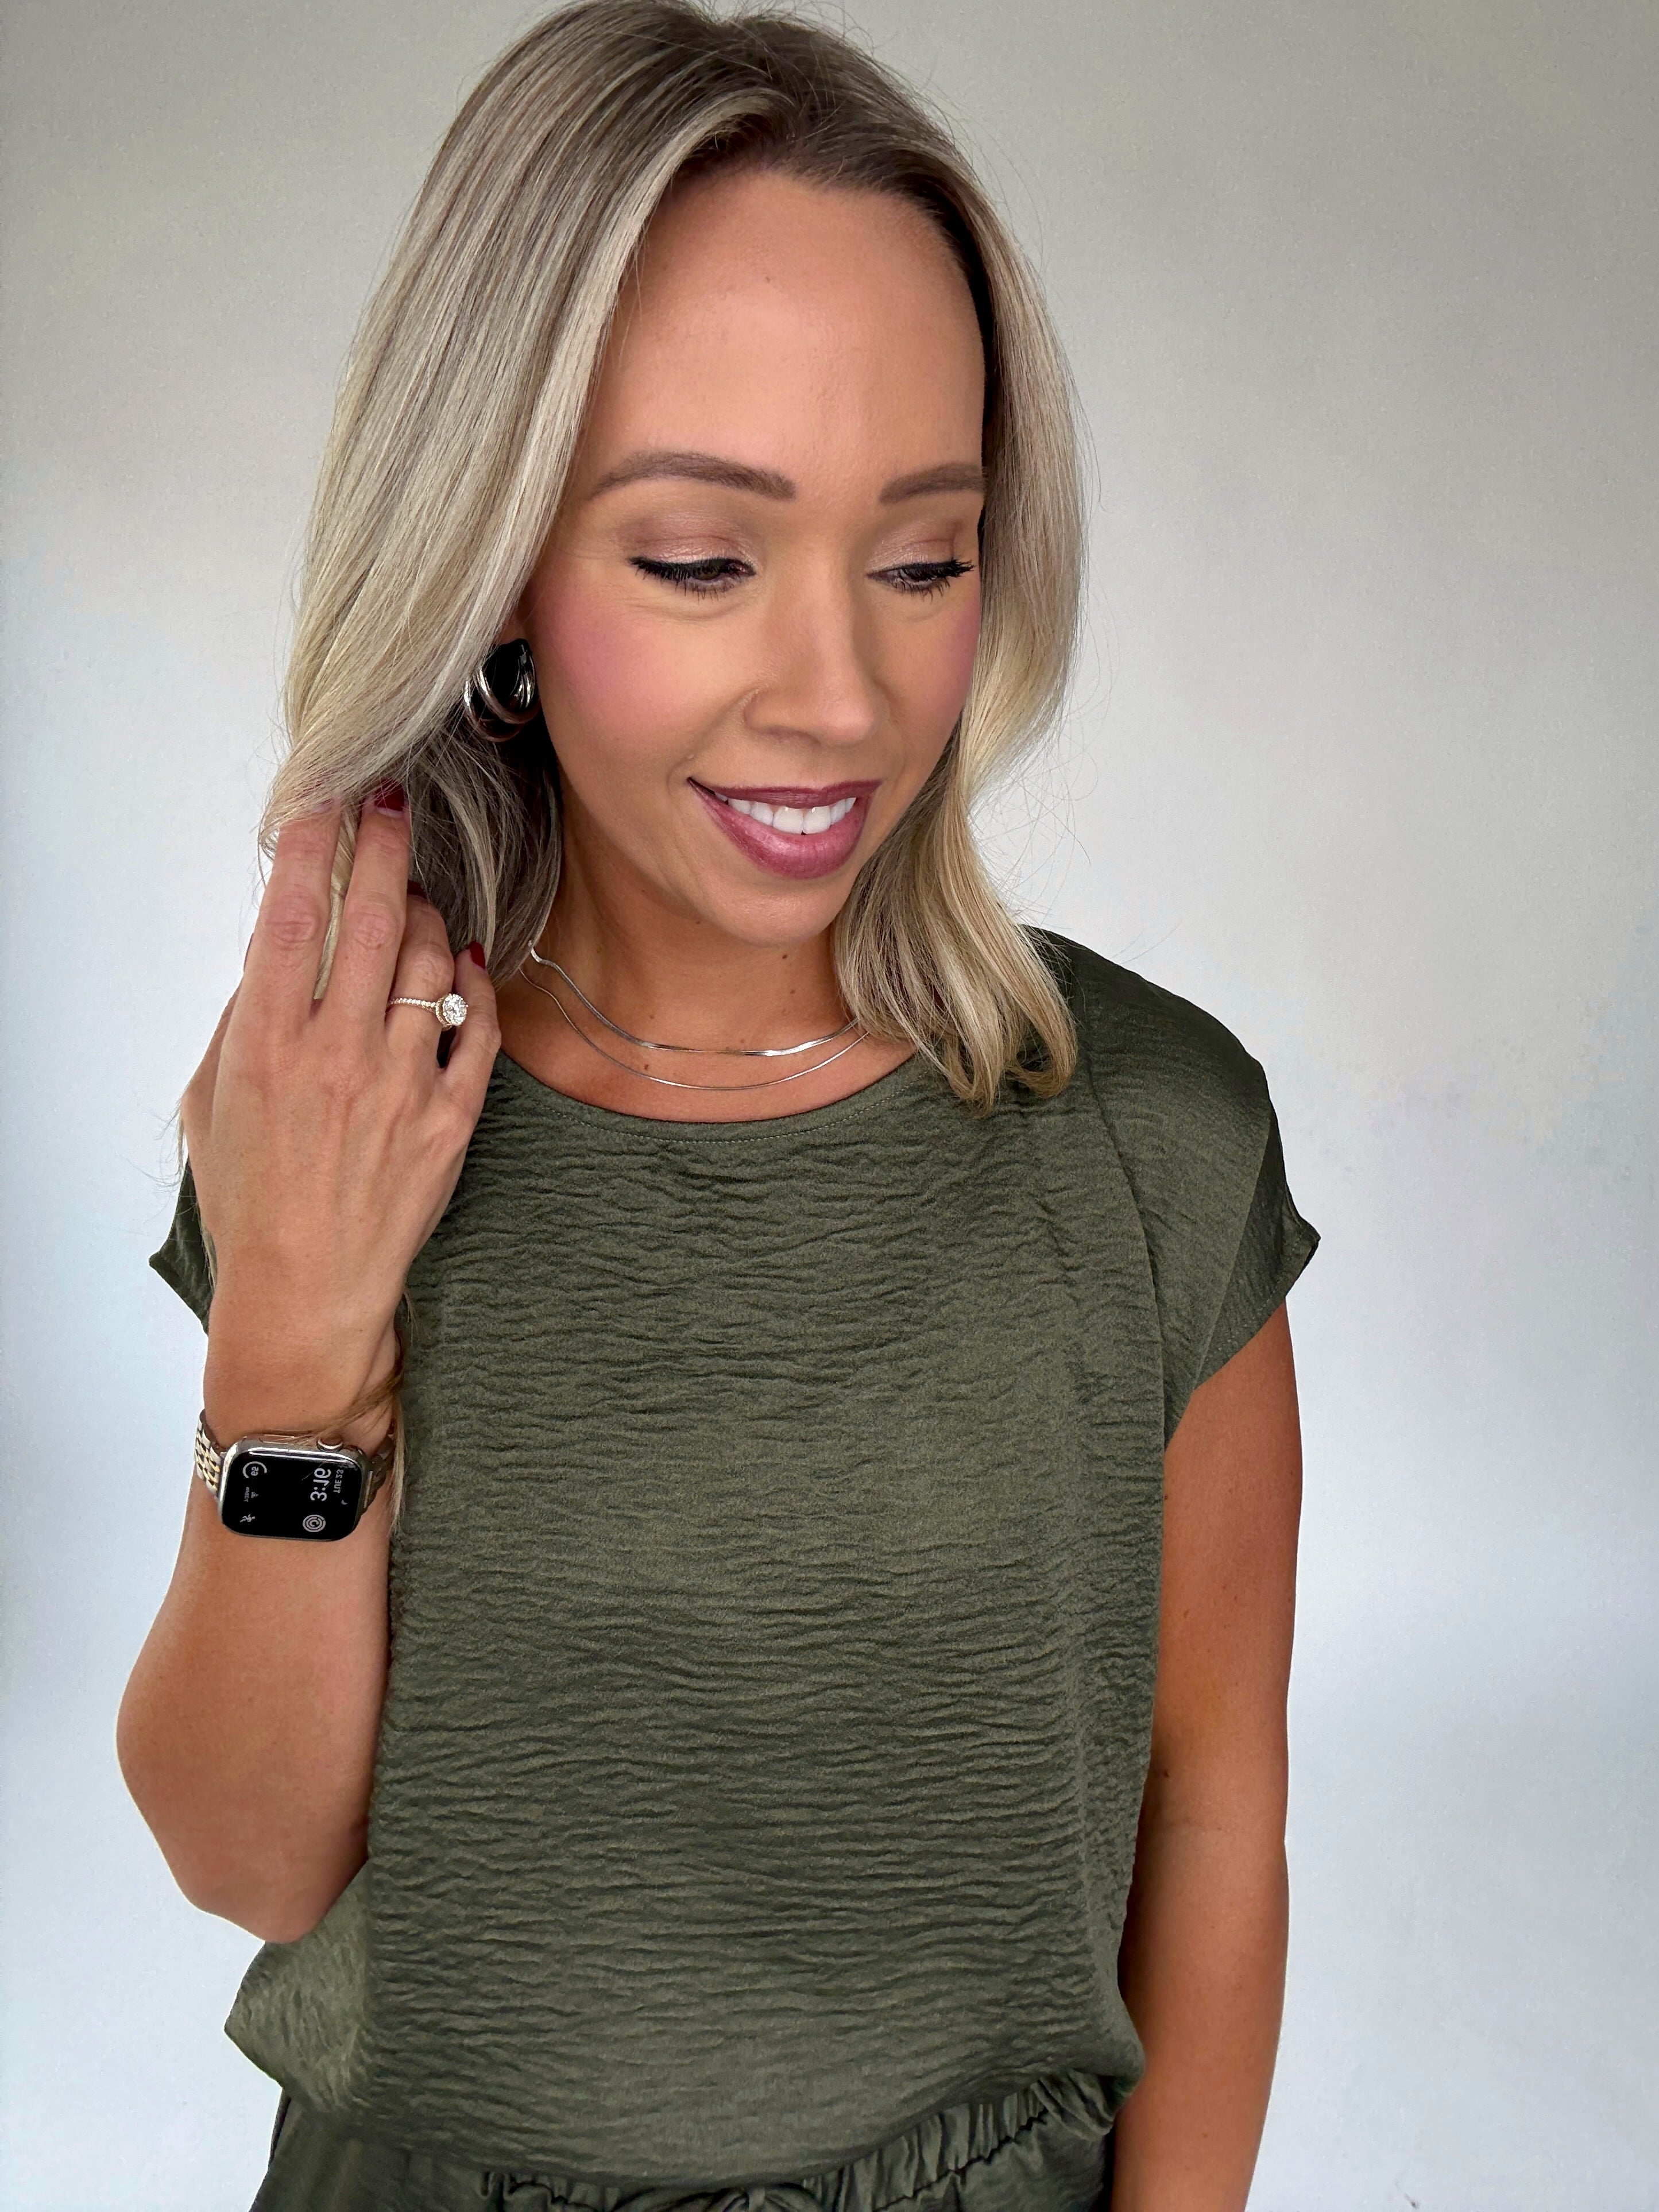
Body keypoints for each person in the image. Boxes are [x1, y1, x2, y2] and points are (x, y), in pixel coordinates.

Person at [117, 5, 1320, 2208]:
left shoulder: (1150, 1141)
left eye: (922, 556)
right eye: (698, 558)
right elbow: (246, 1854)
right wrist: (295, 1328)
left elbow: (1214, 1806)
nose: (840, 694)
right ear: (496, 562)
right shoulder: (350, 1114)